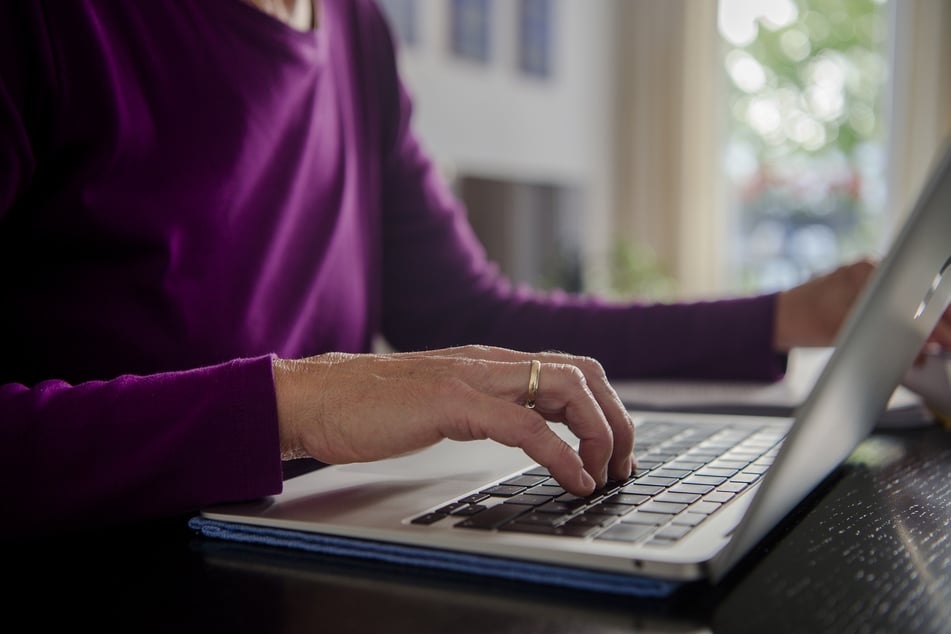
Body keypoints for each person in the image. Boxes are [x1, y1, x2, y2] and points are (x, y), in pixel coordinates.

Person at [2, 0, 947, 539]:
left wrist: (786, 315)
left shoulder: (352, 29)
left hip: (291, 561)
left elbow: (462, 307)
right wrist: (300, 403)